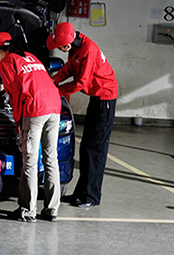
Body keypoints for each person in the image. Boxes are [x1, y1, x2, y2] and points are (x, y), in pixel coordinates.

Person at [0, 32, 62, 222]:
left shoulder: (7, 62)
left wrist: (19, 122)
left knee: (29, 160)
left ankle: (28, 211)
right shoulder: (30, 56)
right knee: (50, 158)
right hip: (54, 106)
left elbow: (15, 95)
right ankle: (52, 209)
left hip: (35, 109)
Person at [46, 22, 118, 207]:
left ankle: (92, 197)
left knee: (96, 150)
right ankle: (80, 193)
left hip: (105, 101)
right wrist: (51, 81)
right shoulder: (76, 45)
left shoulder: (88, 49)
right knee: (86, 147)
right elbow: (69, 68)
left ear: (68, 44)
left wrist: (56, 91)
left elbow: (81, 83)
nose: (60, 50)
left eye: (60, 47)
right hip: (96, 99)